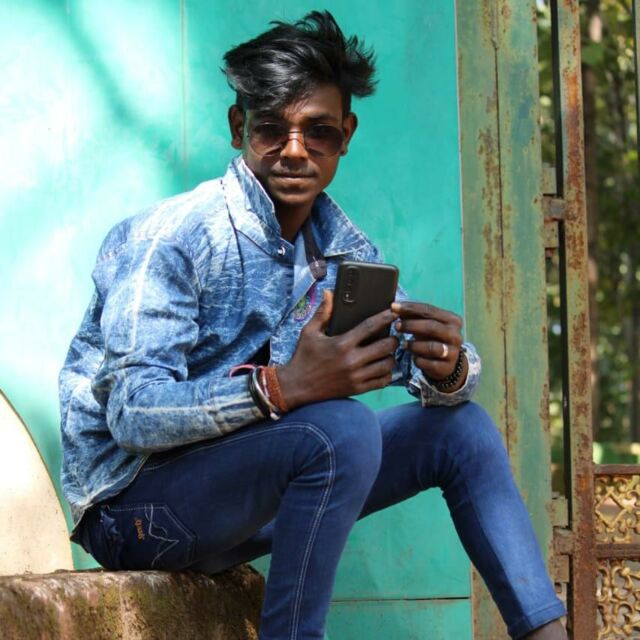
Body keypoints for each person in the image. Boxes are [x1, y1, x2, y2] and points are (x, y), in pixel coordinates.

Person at [59, 11, 567, 640]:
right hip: (135, 512)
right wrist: (282, 387)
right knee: (339, 428)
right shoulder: (174, 238)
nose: (295, 150)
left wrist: (449, 365)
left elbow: (428, 372)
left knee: (460, 429)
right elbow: (133, 413)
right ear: (239, 127)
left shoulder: (342, 253)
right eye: (272, 129)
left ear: (345, 136)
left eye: (318, 132)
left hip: (238, 509)